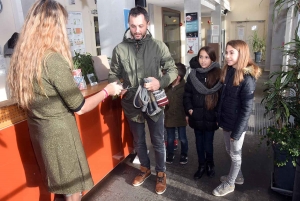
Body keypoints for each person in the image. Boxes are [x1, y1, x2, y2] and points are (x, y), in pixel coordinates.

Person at [7, 1, 122, 201]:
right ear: (53, 26)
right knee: (72, 191)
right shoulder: (52, 60)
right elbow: (81, 106)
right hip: (61, 137)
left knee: (61, 189)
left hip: (41, 134)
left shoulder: (23, 59)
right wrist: (107, 90)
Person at [108, 6, 177, 195]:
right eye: (133, 26)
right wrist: (116, 86)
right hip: (132, 104)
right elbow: (113, 74)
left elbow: (172, 70)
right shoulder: (120, 49)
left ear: (147, 23)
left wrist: (160, 82)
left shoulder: (158, 46)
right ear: (128, 25)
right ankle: (145, 169)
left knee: (157, 140)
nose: (137, 30)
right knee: (138, 142)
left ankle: (161, 173)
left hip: (154, 102)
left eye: (140, 26)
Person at [212, 40, 261, 196]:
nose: (227, 56)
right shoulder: (229, 71)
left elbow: (247, 109)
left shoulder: (248, 78)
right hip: (227, 121)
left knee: (235, 154)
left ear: (242, 54)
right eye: (226, 52)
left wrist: (237, 132)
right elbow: (224, 98)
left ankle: (230, 183)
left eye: (231, 52)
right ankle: (237, 176)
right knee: (229, 150)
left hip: (237, 125)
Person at [183, 46, 222, 180]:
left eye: (206, 57)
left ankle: (210, 164)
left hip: (211, 116)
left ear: (212, 58)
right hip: (197, 116)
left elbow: (221, 97)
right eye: (201, 57)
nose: (203, 60)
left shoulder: (218, 74)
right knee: (199, 144)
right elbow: (187, 94)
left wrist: (218, 115)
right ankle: (201, 166)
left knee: (208, 144)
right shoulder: (193, 74)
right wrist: (189, 110)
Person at [164, 63, 188, 165]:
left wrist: (187, 115)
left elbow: (187, 102)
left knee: (182, 138)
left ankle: (184, 154)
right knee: (170, 138)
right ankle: (170, 153)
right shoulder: (167, 87)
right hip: (169, 116)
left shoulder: (185, 88)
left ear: (178, 77)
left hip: (181, 117)